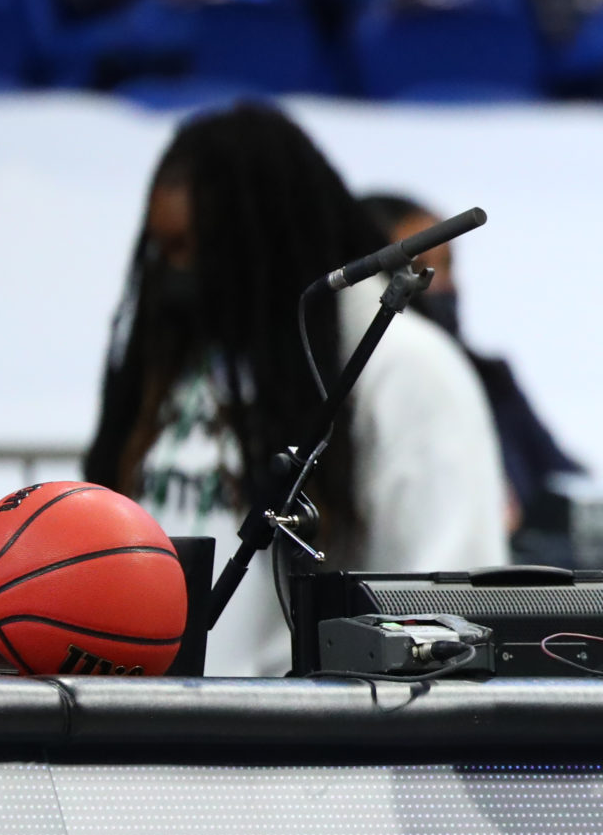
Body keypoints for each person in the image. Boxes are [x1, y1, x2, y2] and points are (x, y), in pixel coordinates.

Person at [84, 101, 510, 676]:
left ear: (261, 244)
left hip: (302, 741)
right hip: (164, 723)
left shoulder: (407, 369)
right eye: (164, 251)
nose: (173, 275)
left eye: (191, 250)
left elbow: (450, 609)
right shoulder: (183, 361)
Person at [361, 192, 585, 562]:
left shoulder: (490, 377)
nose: (442, 285)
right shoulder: (367, 390)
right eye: (419, 268)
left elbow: (566, 480)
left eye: (447, 266)